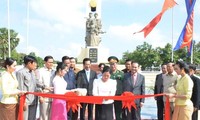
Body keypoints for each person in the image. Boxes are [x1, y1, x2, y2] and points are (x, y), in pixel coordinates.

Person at [16, 55, 48, 120]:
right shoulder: (20, 73)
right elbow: (20, 88)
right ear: (29, 63)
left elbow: (36, 82)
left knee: (32, 118)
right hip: (26, 101)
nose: (35, 65)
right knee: (25, 118)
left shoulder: (32, 72)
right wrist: (23, 102)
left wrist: (45, 86)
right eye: (34, 63)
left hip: (34, 100)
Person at [38, 55, 55, 120]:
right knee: (44, 116)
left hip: (53, 97)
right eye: (49, 62)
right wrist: (40, 96)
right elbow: (39, 84)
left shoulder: (54, 71)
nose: (51, 64)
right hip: (44, 97)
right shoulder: (41, 71)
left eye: (52, 62)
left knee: (51, 116)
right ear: (45, 62)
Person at [108, 56, 124, 120]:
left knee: (119, 112)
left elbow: (124, 84)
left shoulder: (121, 74)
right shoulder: (107, 73)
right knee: (109, 112)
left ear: (117, 64)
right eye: (111, 64)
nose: (113, 66)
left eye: (114, 64)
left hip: (118, 95)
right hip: (109, 95)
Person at [62, 56, 77, 120]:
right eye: (66, 63)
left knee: (70, 113)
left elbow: (74, 83)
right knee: (63, 113)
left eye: (69, 63)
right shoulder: (61, 72)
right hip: (63, 95)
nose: (68, 64)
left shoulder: (72, 72)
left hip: (71, 96)